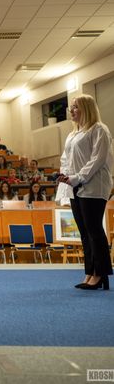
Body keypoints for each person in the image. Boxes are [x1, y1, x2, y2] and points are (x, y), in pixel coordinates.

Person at [58, 94, 113, 290]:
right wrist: (65, 175)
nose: (71, 110)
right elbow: (65, 159)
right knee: (84, 232)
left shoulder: (99, 129)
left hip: (94, 186)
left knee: (94, 230)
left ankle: (100, 273)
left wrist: (77, 177)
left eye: (75, 107)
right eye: (71, 107)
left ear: (86, 109)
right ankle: (89, 272)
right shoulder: (72, 134)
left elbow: (97, 159)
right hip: (75, 187)